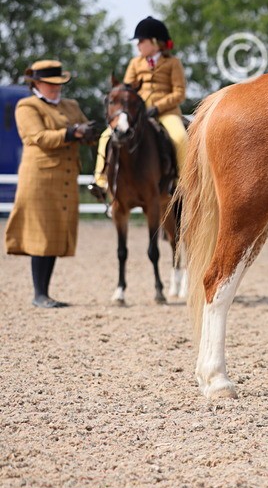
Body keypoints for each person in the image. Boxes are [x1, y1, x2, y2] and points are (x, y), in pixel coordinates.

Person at [5, 60, 100, 307]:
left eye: (59, 84)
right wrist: (71, 133)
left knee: (55, 234)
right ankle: (39, 294)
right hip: (40, 179)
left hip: (65, 179)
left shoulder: (71, 105)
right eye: (51, 84)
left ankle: (45, 293)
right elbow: (36, 137)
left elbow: (84, 127)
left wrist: (90, 134)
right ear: (37, 83)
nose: (56, 89)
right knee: (41, 235)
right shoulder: (27, 106)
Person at [91, 16, 188, 198]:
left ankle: (183, 182)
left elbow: (179, 93)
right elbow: (126, 90)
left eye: (141, 41)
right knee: (106, 135)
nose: (138, 46)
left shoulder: (173, 63)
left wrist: (158, 107)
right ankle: (100, 181)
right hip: (137, 114)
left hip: (166, 113)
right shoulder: (135, 63)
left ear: (154, 42)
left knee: (180, 137)